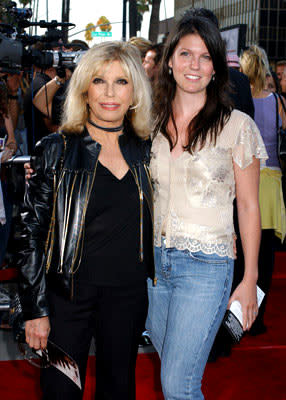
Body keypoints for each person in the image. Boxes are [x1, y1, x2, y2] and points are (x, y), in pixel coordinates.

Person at [19, 41, 154, 400]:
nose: (110, 93)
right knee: (60, 392)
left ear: (134, 92)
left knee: (118, 390)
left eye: (121, 82)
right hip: (68, 299)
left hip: (127, 296)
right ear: (84, 89)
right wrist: (36, 309)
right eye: (99, 81)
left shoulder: (148, 149)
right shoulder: (56, 149)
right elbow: (29, 231)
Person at [146, 13, 267, 399]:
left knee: (177, 386)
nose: (193, 65)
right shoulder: (148, 122)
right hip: (152, 268)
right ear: (169, 60)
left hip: (206, 266)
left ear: (216, 66)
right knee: (175, 377)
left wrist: (249, 280)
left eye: (204, 56)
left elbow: (249, 207)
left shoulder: (237, 127)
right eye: (185, 54)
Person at [240, 45, 286, 335]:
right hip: (271, 182)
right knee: (266, 255)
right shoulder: (277, 101)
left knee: (246, 252)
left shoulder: (240, 104)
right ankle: (258, 318)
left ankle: (240, 316)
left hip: (246, 181)